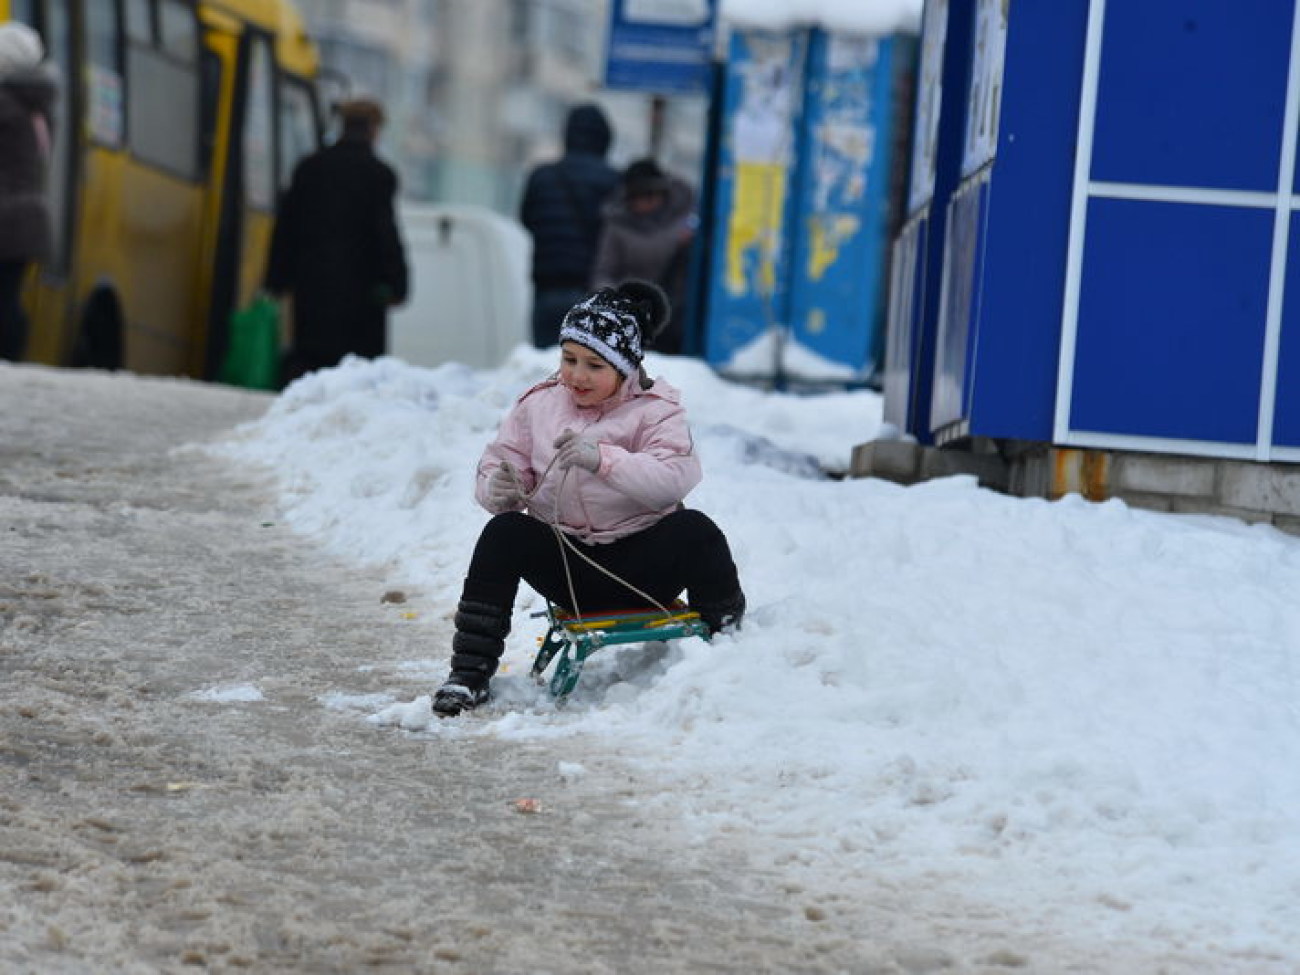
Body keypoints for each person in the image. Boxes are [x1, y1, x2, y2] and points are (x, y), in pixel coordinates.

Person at [433, 280, 746, 717]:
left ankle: (731, 648)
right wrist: (497, 489)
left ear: (625, 368)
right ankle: (468, 676)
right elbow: (503, 461)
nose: (577, 375)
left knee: (697, 531)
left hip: (642, 567)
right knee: (503, 533)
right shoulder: (539, 405)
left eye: (594, 365)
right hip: (570, 566)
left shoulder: (657, 410)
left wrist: (604, 461)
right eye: (569, 359)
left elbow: (674, 478)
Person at [265, 97, 408, 385]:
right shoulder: (378, 174)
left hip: (311, 288)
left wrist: (275, 279)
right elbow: (385, 234)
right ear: (373, 129)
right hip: (361, 295)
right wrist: (397, 284)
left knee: (309, 362)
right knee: (353, 374)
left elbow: (286, 227)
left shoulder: (309, 167)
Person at [519, 103, 619, 349]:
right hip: (592, 291)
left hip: (546, 289)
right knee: (586, 373)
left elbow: (527, 220)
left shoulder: (541, 177)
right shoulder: (613, 181)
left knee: (544, 371)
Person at [591, 159, 697, 355]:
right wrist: (622, 304)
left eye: (650, 196)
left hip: (677, 320)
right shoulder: (616, 226)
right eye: (637, 197)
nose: (644, 203)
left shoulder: (688, 219)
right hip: (633, 322)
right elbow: (603, 273)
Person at [0, 22, 56, 363]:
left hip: (5, 218)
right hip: (29, 222)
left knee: (3, 302)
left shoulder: (5, 105)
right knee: (7, 296)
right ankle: (11, 358)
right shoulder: (36, 107)